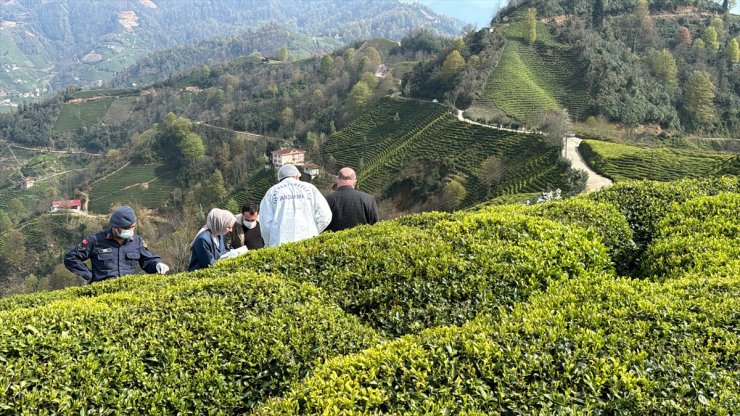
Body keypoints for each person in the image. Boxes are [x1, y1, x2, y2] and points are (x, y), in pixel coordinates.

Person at [64, 205, 170, 284]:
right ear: (115, 227)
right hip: (101, 293)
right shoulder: (95, 240)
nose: (130, 231)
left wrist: (157, 264)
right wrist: (89, 276)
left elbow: (147, 259)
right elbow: (71, 258)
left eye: (132, 227)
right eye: (126, 229)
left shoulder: (136, 242)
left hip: (128, 292)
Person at [259, 164, 332, 247]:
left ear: (280, 179)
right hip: (308, 244)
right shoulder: (310, 188)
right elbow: (325, 216)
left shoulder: (271, 192)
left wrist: (271, 242)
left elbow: (265, 224)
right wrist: (313, 231)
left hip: (281, 244)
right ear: (297, 176)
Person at [325, 167, 379, 232]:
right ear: (355, 182)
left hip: (333, 241)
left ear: (337, 181)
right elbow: (375, 226)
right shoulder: (369, 200)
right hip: (361, 240)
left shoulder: (327, 199)